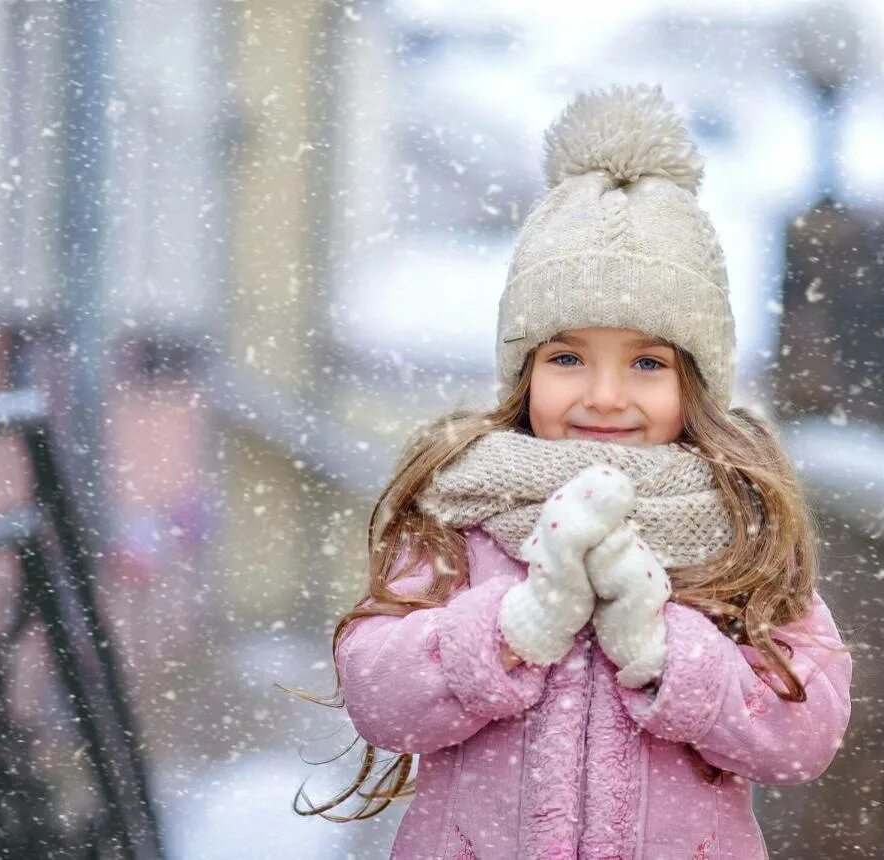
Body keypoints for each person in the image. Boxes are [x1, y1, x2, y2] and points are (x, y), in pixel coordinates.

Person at [298, 83, 853, 859]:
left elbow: (804, 734)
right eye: (567, 358)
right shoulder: (465, 510)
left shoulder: (734, 529)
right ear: (523, 371)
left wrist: (662, 648)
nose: (605, 395)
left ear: (695, 384)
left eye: (647, 363)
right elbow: (378, 695)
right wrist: (515, 625)